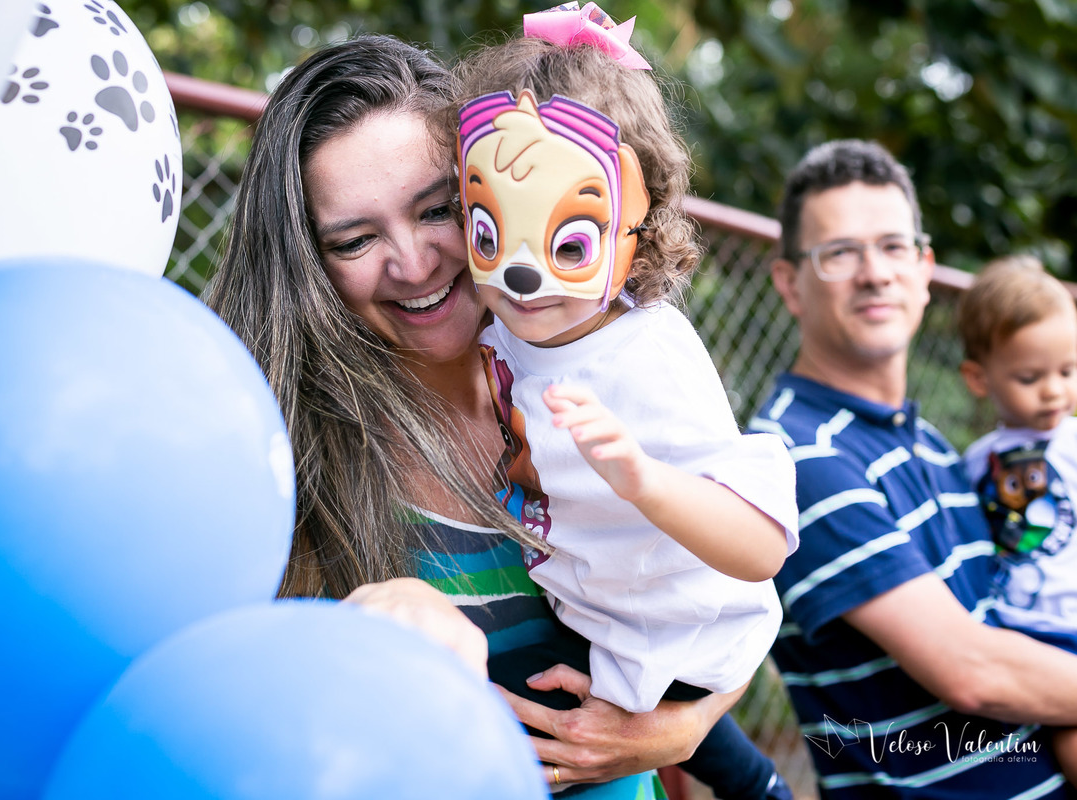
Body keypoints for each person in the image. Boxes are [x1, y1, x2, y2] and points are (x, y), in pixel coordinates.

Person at [202, 33, 745, 797]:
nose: (416, 263)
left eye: (439, 210)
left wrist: (685, 726)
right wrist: (372, 616)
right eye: (356, 239)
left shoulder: (599, 370)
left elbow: (720, 598)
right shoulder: (282, 458)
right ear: (307, 266)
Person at [442, 12, 799, 800]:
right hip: (597, 605)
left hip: (678, 633)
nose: (525, 275)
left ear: (638, 227)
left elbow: (763, 548)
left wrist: (646, 480)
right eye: (489, 232)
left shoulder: (650, 357)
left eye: (568, 244)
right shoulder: (501, 321)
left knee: (629, 740)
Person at [748, 137, 1077, 798]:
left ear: (925, 269)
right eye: (840, 252)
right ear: (790, 283)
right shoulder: (794, 453)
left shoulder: (930, 444)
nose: (875, 273)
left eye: (894, 247)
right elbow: (973, 671)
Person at [957, 255, 1077, 780]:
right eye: (1030, 376)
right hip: (1026, 633)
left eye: (1068, 371)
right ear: (979, 378)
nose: (1053, 389)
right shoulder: (973, 464)